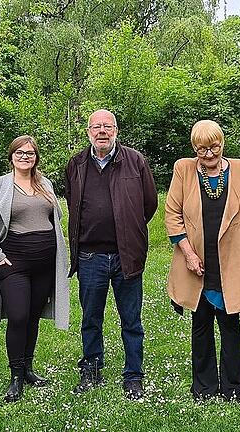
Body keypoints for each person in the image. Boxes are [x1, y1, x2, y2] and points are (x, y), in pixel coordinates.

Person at [164, 120, 240, 401]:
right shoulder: (183, 168)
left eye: (213, 147)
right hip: (197, 260)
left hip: (230, 262)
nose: (208, 154)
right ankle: (204, 387)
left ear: (222, 143)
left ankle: (234, 387)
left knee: (230, 325)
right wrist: (188, 253)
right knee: (201, 323)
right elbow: (172, 214)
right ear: (194, 148)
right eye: (201, 149)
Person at [65, 109, 158, 400]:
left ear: (116, 130)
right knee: (91, 318)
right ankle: (91, 370)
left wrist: (129, 229)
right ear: (88, 132)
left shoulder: (135, 161)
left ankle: (133, 376)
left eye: (107, 126)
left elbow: (149, 204)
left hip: (126, 256)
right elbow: (72, 201)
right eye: (96, 127)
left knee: (131, 320)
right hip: (91, 257)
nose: (101, 131)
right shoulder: (77, 164)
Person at [0, 135, 69, 403]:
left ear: (36, 157)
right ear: (11, 156)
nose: (25, 157)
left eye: (30, 153)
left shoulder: (45, 184)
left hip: (44, 263)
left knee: (32, 317)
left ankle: (28, 368)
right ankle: (15, 376)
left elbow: (54, 220)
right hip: (13, 262)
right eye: (20, 152)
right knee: (17, 316)